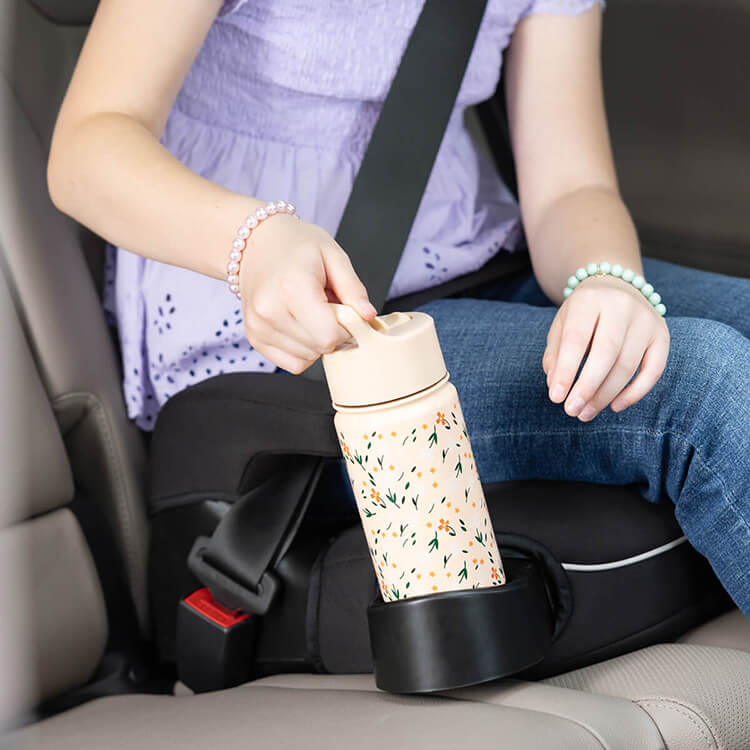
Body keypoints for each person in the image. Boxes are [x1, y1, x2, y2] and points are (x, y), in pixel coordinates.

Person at [46, 0, 750, 619]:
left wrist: (610, 283)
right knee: (704, 384)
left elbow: (569, 186)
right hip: (275, 323)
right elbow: (89, 146)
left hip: (468, 261)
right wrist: (251, 242)